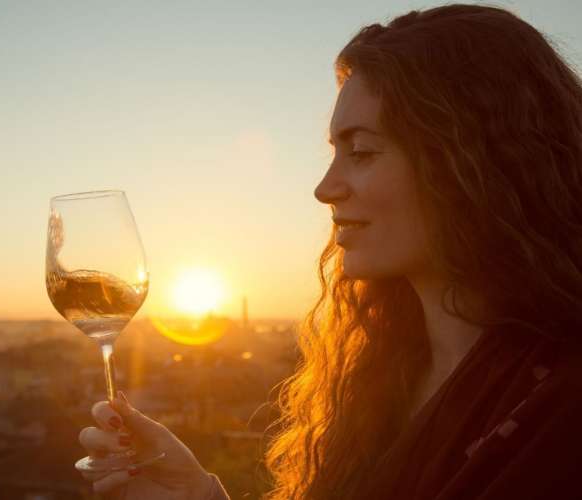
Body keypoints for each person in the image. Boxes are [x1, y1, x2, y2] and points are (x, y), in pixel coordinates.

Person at [77, 4, 582, 499]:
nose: (324, 188)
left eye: (360, 151)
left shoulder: (558, 411)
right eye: (334, 152)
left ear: (472, 160)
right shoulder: (384, 374)